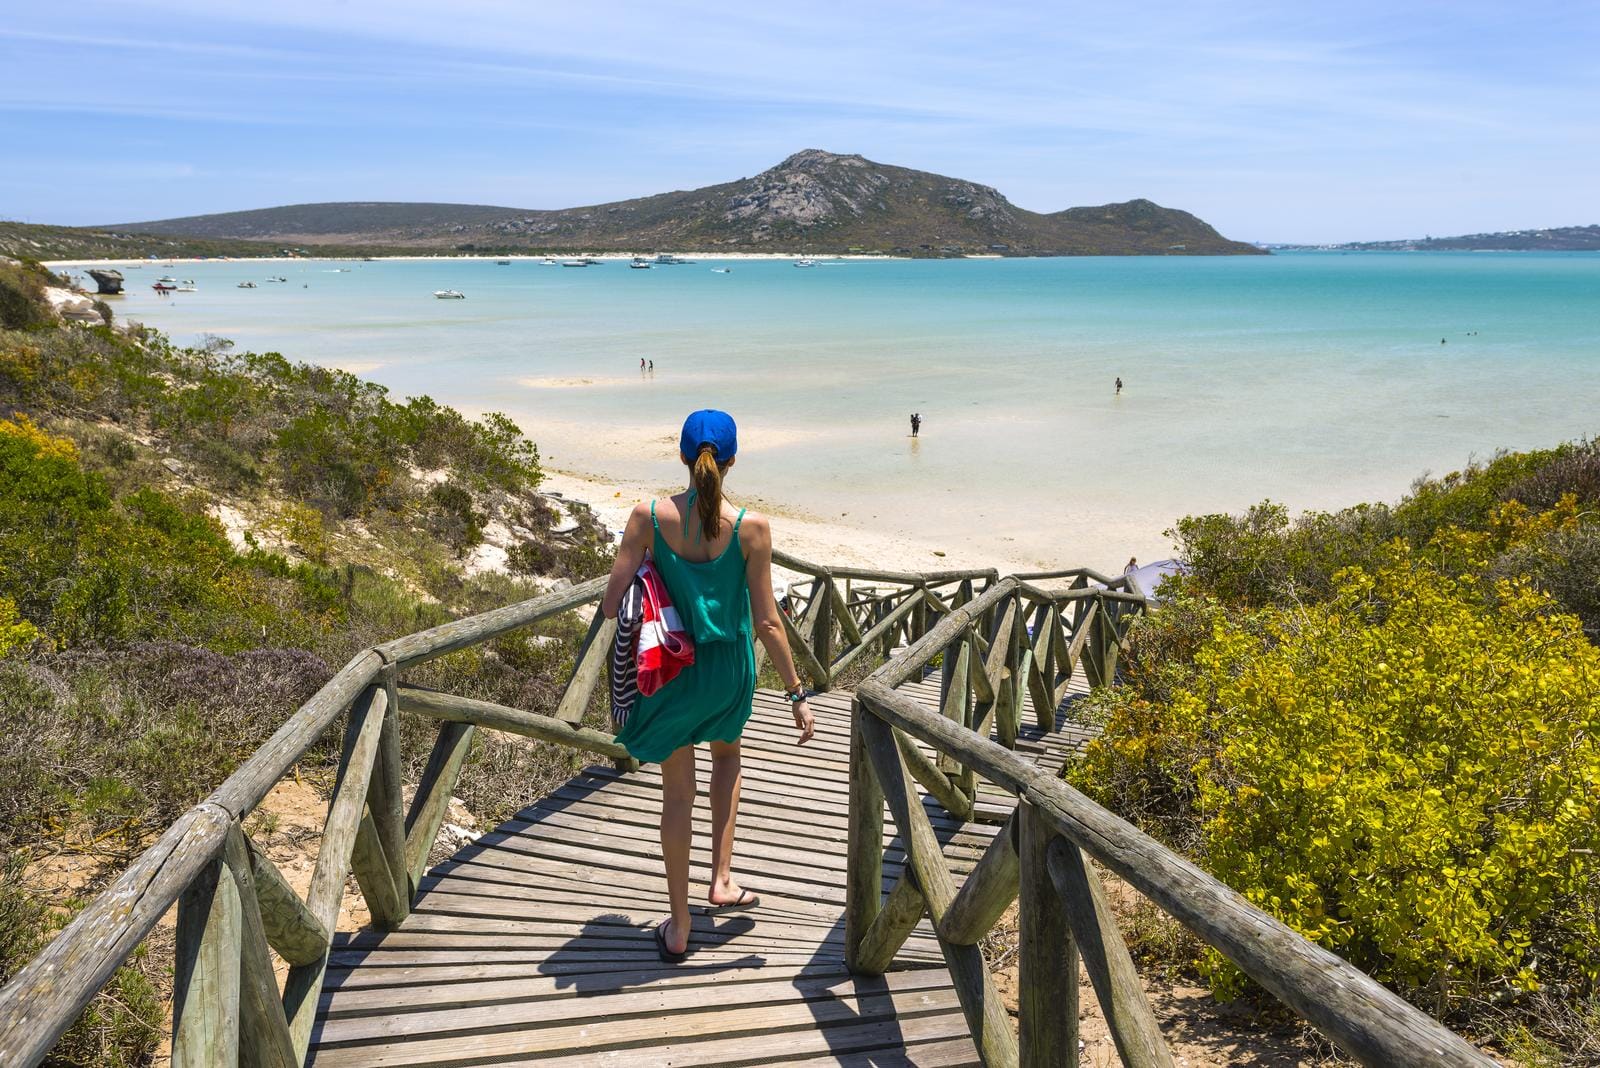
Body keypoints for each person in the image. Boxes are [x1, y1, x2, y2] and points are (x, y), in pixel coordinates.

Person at [601, 409, 814, 963]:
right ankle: (721, 879)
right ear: (733, 460)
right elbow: (768, 622)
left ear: (680, 456)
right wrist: (796, 693)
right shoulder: (753, 527)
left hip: (671, 671)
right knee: (728, 761)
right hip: (727, 674)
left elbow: (609, 603)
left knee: (677, 794)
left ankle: (679, 924)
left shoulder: (647, 517)